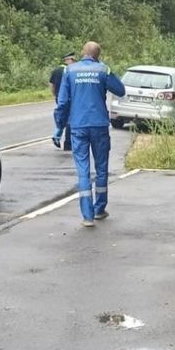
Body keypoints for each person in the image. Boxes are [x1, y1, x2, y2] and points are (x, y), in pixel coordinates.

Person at [53, 41, 126, 227]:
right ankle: (99, 209)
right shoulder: (103, 70)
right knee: (101, 168)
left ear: (82, 53)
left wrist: (59, 127)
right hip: (99, 125)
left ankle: (87, 216)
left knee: (83, 170)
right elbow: (121, 90)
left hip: (78, 126)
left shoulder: (70, 71)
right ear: (97, 55)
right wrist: (108, 72)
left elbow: (62, 103)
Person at [49, 52, 76, 150]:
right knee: (70, 120)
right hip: (69, 98)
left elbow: (51, 85)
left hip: (59, 97)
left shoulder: (56, 70)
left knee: (62, 117)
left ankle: (57, 136)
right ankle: (67, 143)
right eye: (73, 60)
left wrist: (56, 95)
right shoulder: (71, 71)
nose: (74, 62)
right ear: (68, 60)